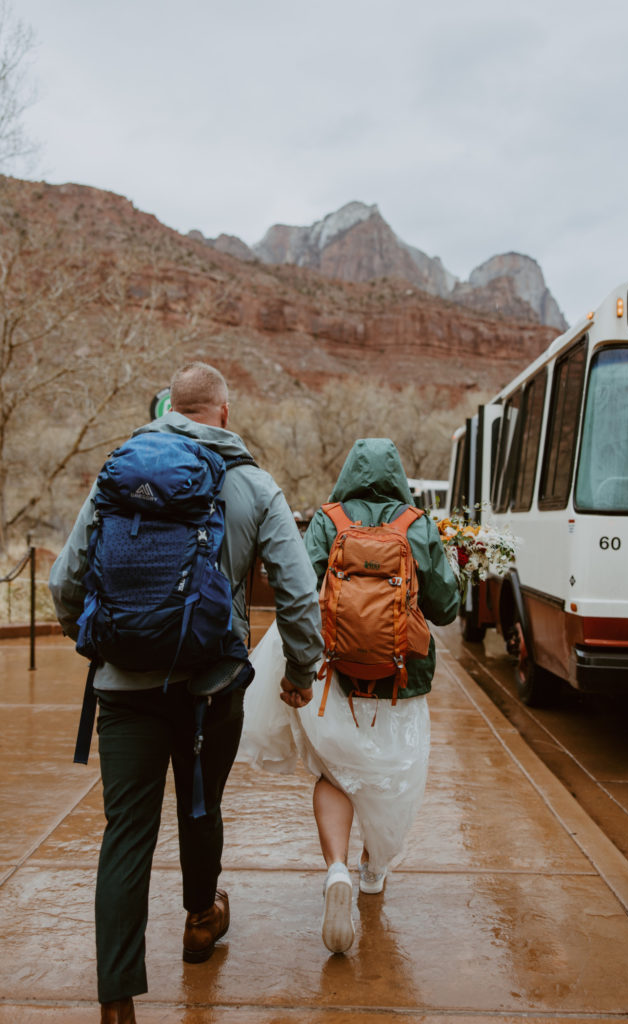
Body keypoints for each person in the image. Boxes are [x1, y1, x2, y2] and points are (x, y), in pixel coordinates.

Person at [49, 362, 323, 1024]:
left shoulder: (121, 471)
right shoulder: (254, 485)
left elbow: (65, 582)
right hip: (210, 689)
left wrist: (101, 646)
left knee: (126, 834)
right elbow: (297, 593)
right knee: (200, 806)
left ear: (171, 406)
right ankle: (201, 922)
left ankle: (117, 1001)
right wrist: (300, 671)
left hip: (122, 692)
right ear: (222, 413)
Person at [239, 437, 460, 954]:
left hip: (332, 674)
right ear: (399, 474)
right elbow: (447, 607)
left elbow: (297, 588)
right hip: (400, 680)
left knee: (334, 773)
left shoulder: (328, 520)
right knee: (391, 773)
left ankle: (336, 869)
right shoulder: (417, 523)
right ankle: (373, 870)